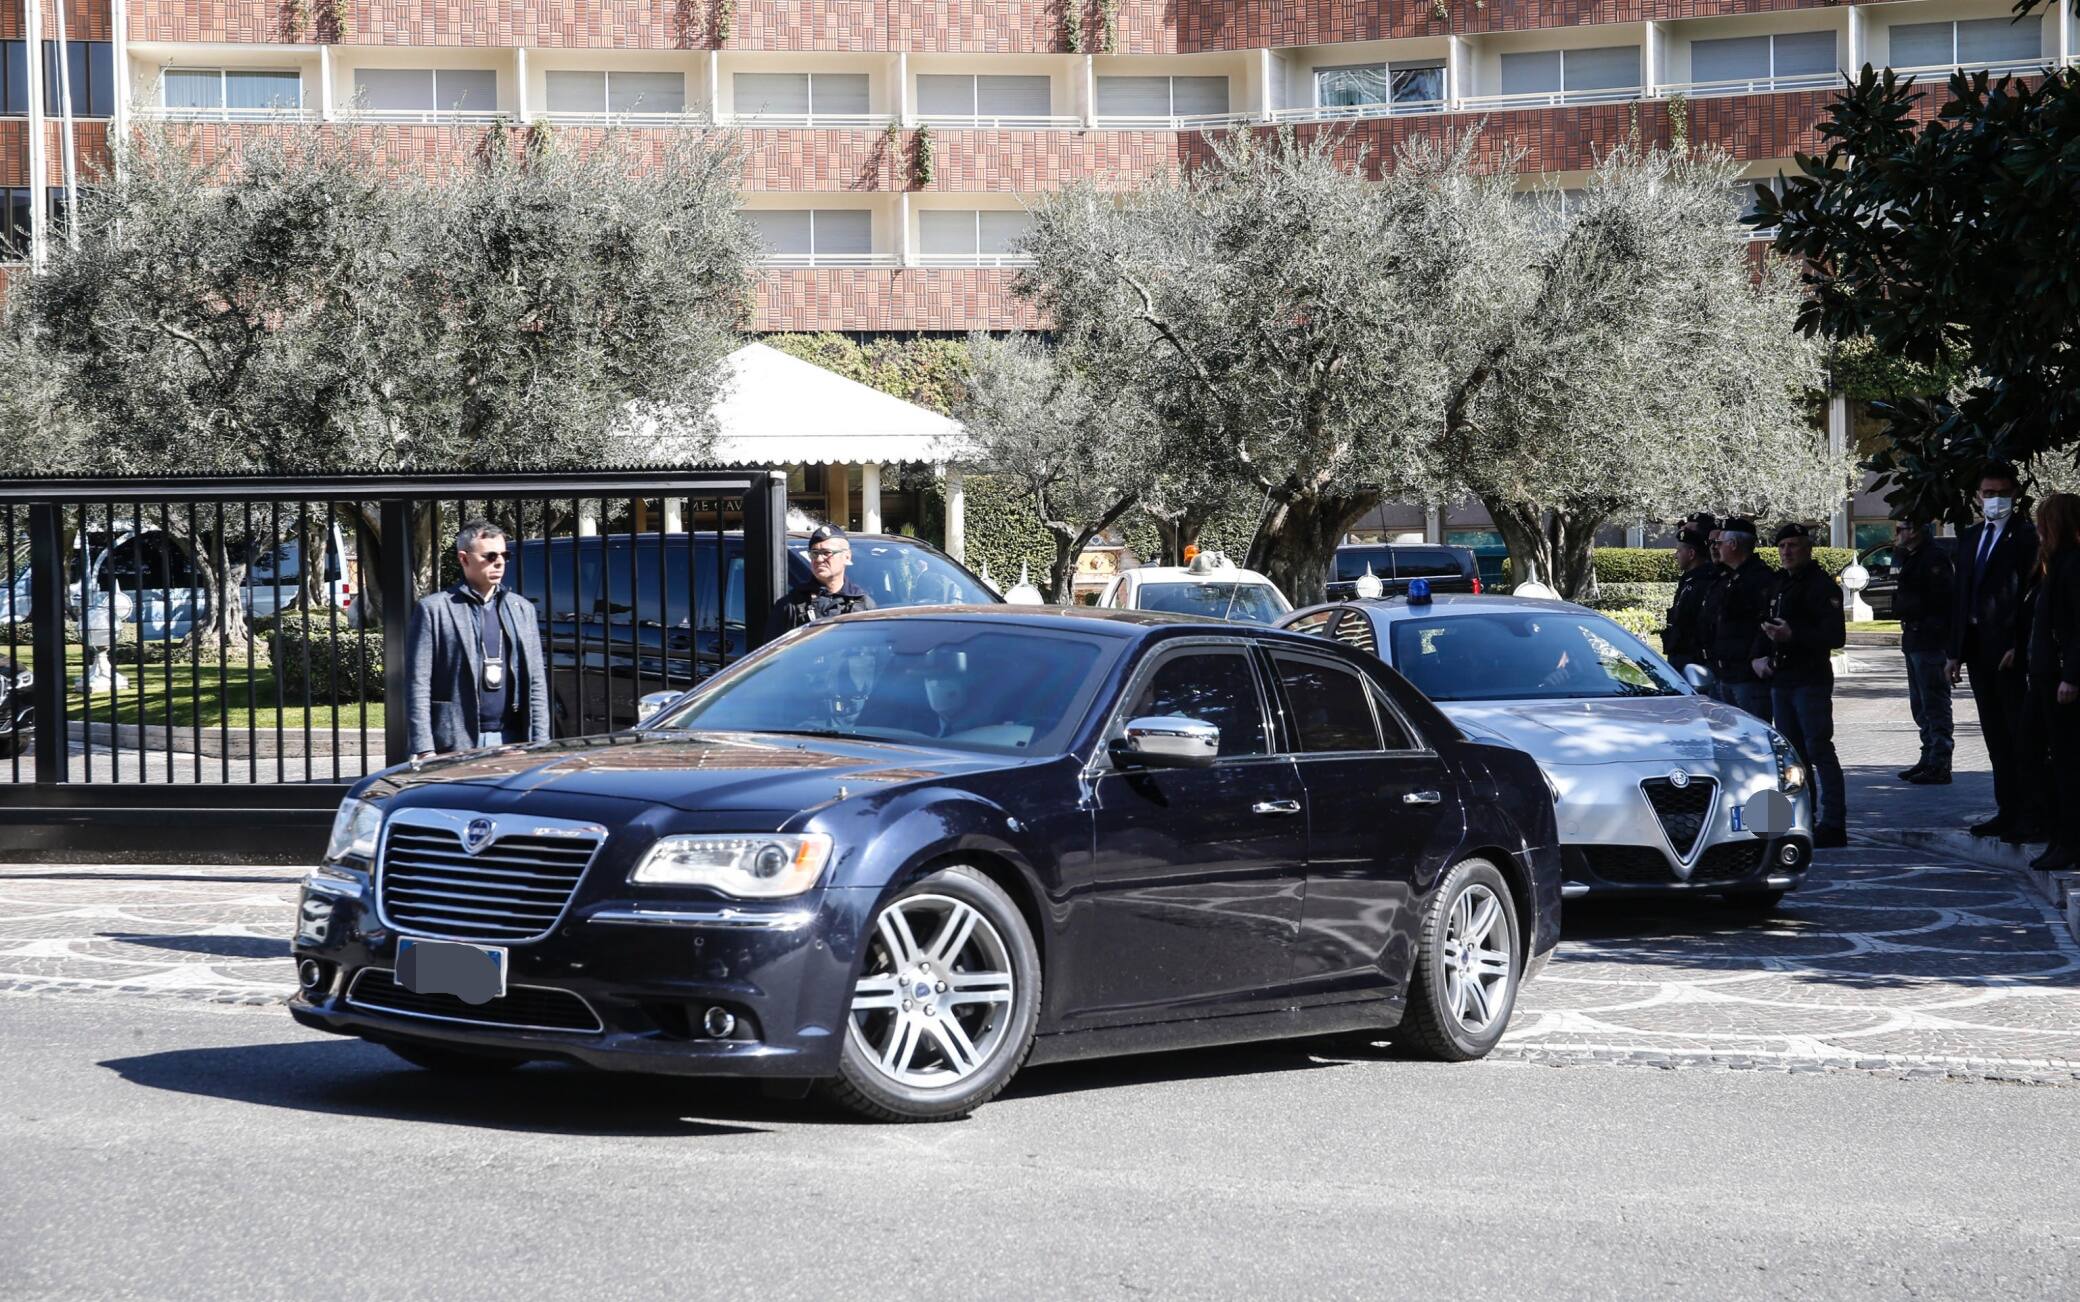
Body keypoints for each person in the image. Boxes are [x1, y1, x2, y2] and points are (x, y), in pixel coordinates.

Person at [1947, 463, 2042, 841]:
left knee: (2021, 736)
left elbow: (2031, 598)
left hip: (2009, 653)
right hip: (1977, 652)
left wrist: (2020, 644)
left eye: (2002, 492)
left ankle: (2032, 814)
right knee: (1995, 737)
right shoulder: (1970, 537)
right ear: (1977, 497)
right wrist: (1954, 652)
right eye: (1988, 493)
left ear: (2015, 495)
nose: (1995, 500)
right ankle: (2008, 810)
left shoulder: (2026, 537)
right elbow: (1961, 596)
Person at [406, 520, 549, 759]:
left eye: (505, 555)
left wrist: (540, 743)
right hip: (454, 741)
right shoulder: (434, 609)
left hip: (514, 740)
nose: (500, 562)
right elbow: (418, 684)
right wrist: (424, 749)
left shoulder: (522, 609)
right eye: (490, 556)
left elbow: (536, 683)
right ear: (464, 558)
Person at [1754, 523, 1847, 847]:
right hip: (1782, 679)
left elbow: (1835, 636)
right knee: (1793, 756)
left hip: (1810, 679)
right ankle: (1804, 817)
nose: (1787, 552)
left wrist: (1794, 636)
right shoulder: (1779, 584)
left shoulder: (1822, 587)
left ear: (1808, 548)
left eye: (1793, 545)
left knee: (1819, 749)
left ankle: (1834, 823)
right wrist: (1760, 656)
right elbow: (1763, 624)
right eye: (1782, 546)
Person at [2024, 494, 2080, 870]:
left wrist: (2071, 676)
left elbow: (2077, 626)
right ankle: (2058, 834)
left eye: (2044, 521)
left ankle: (2070, 840)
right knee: (2034, 751)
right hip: (2045, 674)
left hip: (2062, 679)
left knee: (2067, 762)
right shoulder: (2054, 563)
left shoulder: (2073, 564)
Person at [1891, 518, 1955, 784]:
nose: (1897, 535)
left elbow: (1942, 600)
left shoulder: (1933, 558)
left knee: (1934, 702)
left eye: (1901, 529)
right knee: (1920, 704)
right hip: (1914, 638)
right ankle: (1928, 755)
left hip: (1929, 640)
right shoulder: (1911, 557)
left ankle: (1940, 762)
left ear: (1915, 530)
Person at [1702, 516, 1774, 718]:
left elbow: (1763, 624)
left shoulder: (1760, 578)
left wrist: (1754, 659)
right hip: (1724, 673)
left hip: (1746, 678)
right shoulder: (1727, 578)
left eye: (1720, 543)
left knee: (1752, 737)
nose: (1716, 548)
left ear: (1733, 545)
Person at [773, 524, 875, 632]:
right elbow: (774, 648)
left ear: (847, 556)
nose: (819, 559)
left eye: (827, 553)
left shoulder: (863, 605)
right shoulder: (791, 604)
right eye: (814, 553)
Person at [1662, 525, 1714, 674]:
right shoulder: (1687, 579)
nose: (1675, 555)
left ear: (1691, 553)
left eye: (1679, 551)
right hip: (1678, 650)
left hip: (1692, 656)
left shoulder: (1706, 580)